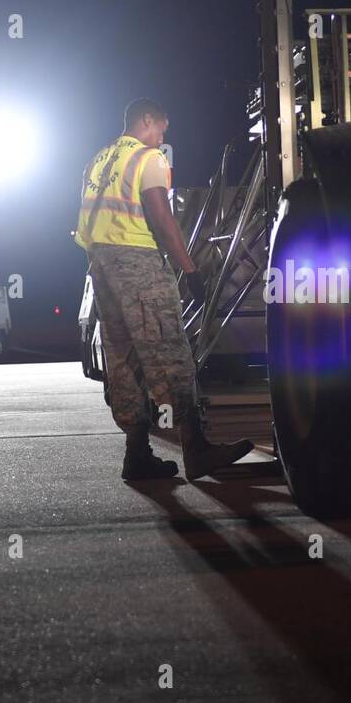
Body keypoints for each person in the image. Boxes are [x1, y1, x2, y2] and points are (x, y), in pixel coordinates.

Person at [75, 98, 253, 481]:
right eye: (161, 128)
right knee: (170, 350)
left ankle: (136, 453)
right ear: (146, 120)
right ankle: (197, 449)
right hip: (138, 262)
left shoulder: (99, 159)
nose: (162, 137)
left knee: (124, 359)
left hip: (101, 266)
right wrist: (189, 270)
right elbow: (159, 213)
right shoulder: (147, 158)